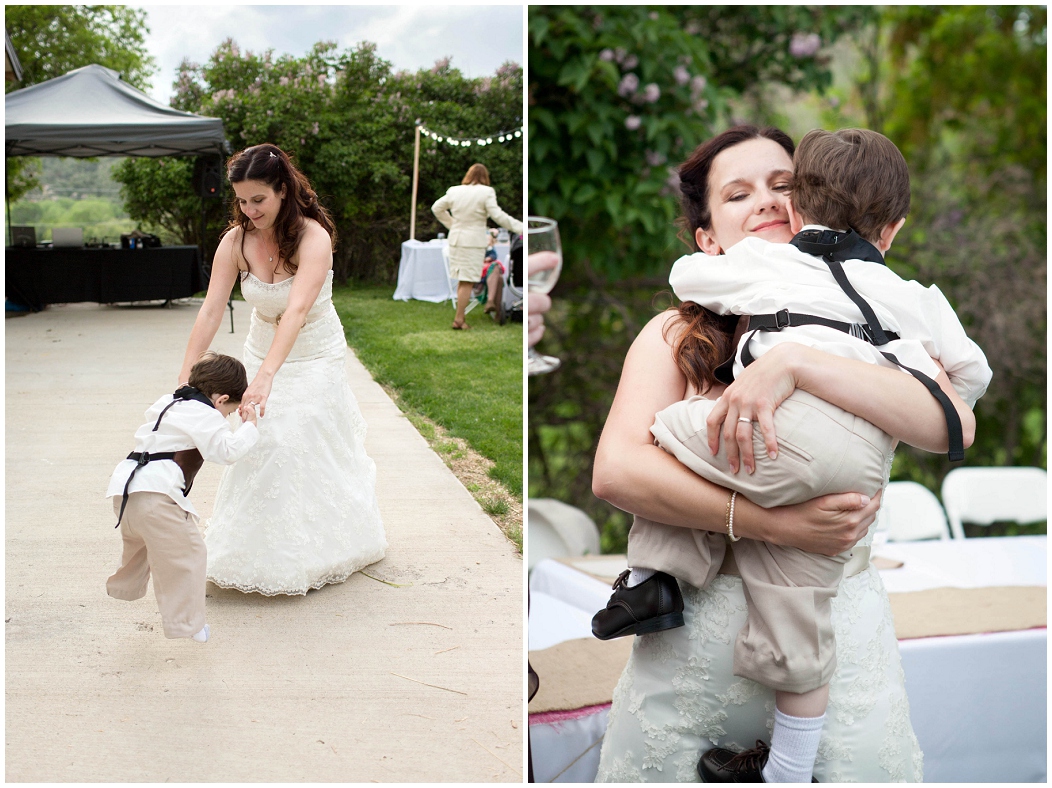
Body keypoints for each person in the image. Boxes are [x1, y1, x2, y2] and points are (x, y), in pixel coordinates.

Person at [591, 127, 989, 781]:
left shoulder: (877, 320)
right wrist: (771, 524)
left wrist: (797, 363)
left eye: (783, 185)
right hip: (698, 652)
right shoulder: (674, 336)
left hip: (837, 640)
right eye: (739, 193)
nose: (770, 202)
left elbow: (952, 422)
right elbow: (617, 469)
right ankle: (648, 587)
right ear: (709, 239)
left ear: (811, 202)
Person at [177, 143, 387, 596]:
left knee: (296, 436)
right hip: (259, 348)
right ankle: (249, 551)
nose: (249, 210)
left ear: (283, 192)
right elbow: (212, 309)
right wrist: (186, 376)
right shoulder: (234, 242)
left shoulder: (314, 237)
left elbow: (295, 312)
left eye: (259, 200)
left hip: (313, 353)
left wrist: (266, 376)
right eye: (242, 200)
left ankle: (317, 547)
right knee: (260, 441)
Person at [106, 352, 259, 642]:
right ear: (221, 399)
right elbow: (227, 451)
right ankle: (189, 626)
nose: (225, 418)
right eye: (228, 412)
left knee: (145, 544)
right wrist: (250, 425)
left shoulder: (170, 402)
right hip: (157, 497)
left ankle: (125, 586)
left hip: (125, 490)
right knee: (189, 555)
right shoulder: (205, 413)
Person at [432, 163, 523, 330]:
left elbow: (436, 208)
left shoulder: (455, 191)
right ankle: (459, 320)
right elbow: (498, 216)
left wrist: (453, 225)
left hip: (456, 240)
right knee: (467, 281)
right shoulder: (486, 192)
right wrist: (520, 227)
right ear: (485, 177)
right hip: (472, 242)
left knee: (463, 280)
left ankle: (460, 317)